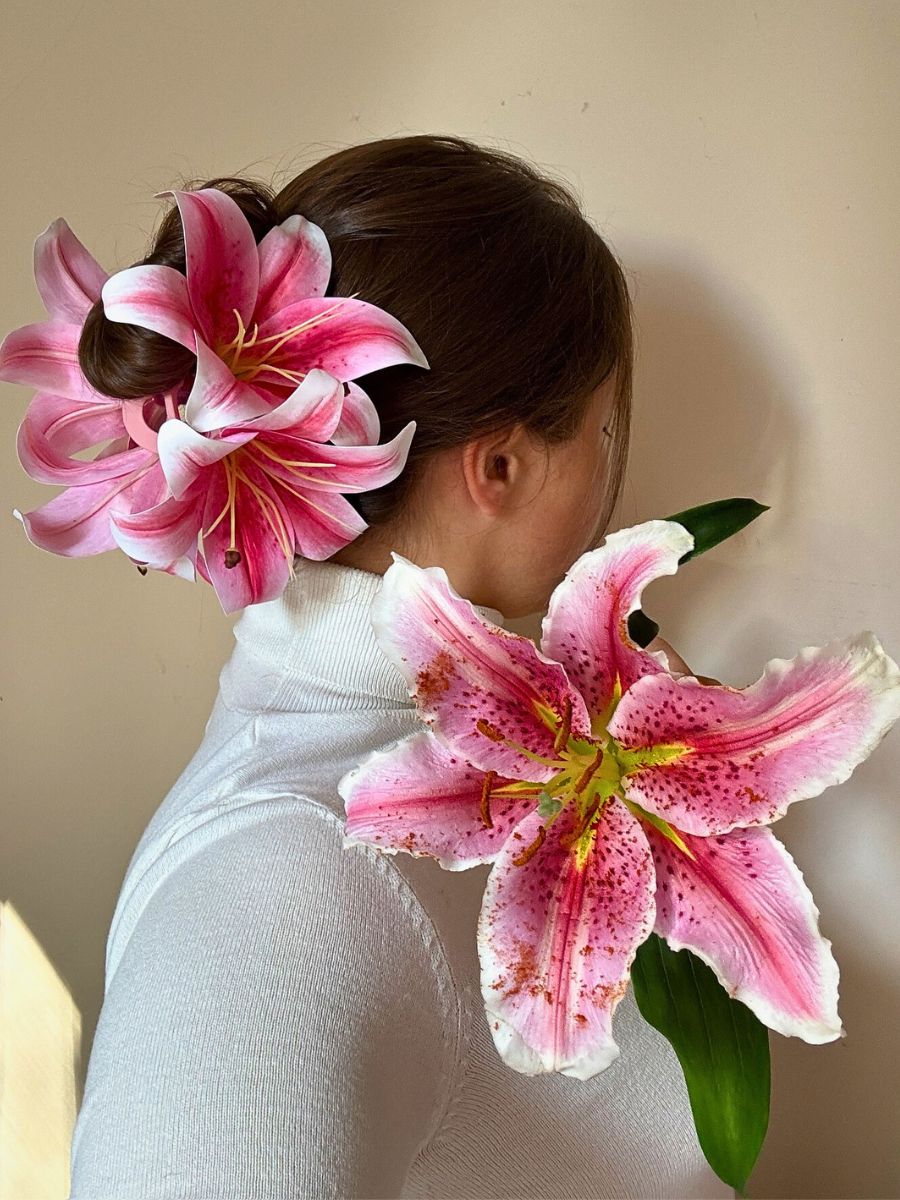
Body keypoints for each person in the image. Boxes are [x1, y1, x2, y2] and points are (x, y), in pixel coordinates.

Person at [67, 134, 730, 1198]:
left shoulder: (415, 762)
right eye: (607, 433)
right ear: (501, 466)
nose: (620, 477)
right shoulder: (297, 873)